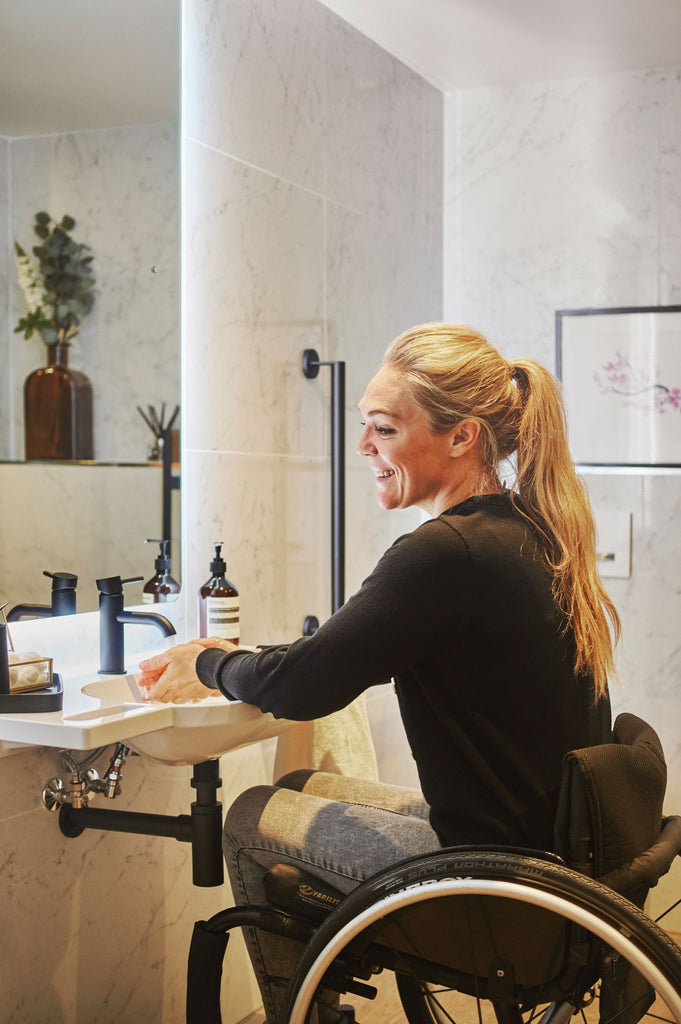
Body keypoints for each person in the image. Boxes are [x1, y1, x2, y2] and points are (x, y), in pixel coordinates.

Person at [139, 322, 619, 1023]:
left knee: (248, 816)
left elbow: (304, 685)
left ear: (462, 438)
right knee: (304, 788)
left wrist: (208, 664)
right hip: (551, 853)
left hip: (498, 876)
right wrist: (249, 663)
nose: (362, 447)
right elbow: (331, 658)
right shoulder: (526, 531)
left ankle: (305, 1015)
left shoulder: (445, 553)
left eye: (383, 429)